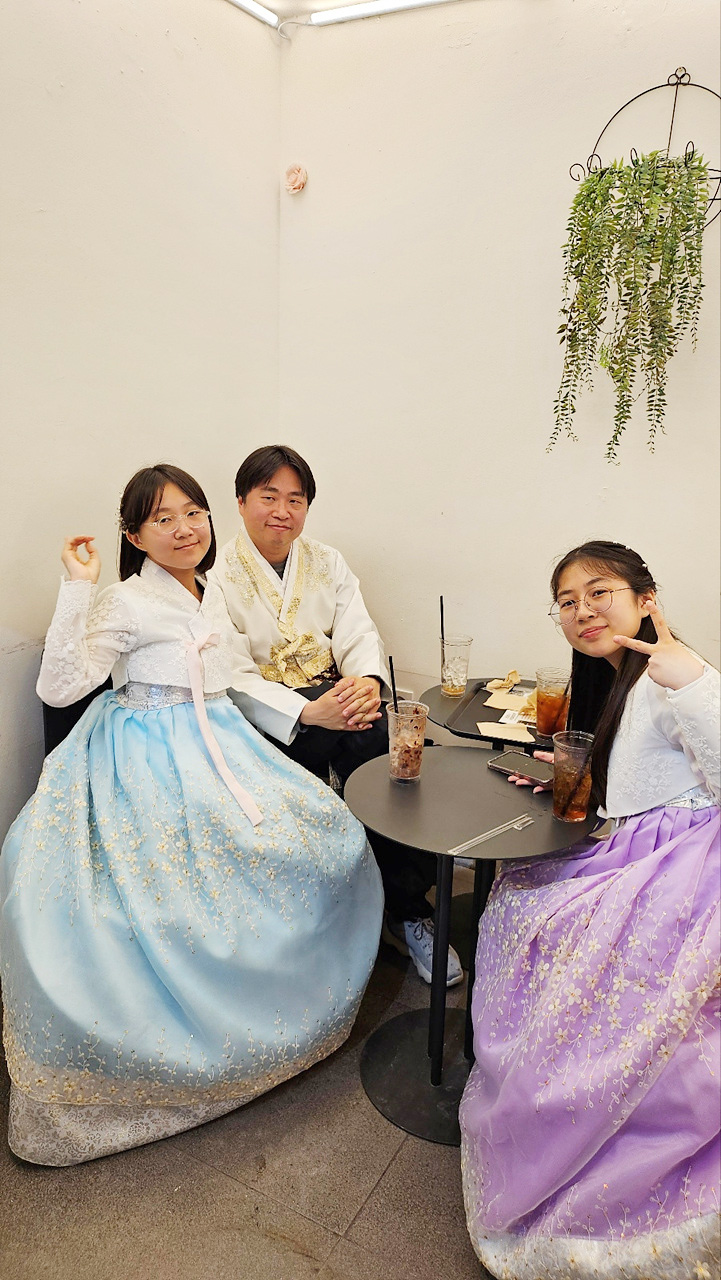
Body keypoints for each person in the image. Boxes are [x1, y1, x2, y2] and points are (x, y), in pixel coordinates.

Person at [0, 464, 383, 1166]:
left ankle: (282, 1010)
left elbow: (233, 680)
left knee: (327, 837)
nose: (183, 529)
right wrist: (76, 586)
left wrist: (309, 712)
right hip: (145, 752)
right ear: (133, 535)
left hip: (220, 739)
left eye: (193, 513)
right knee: (166, 890)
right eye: (162, 518)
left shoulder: (211, 591)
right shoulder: (123, 600)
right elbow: (59, 687)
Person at [459, 541, 720, 1279]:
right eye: (567, 603)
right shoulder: (620, 679)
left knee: (547, 922)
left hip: (681, 861)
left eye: (599, 592)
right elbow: (642, 769)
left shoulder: (672, 672)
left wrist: (692, 680)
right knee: (518, 899)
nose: (582, 611)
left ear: (645, 599)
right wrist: (576, 775)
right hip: (636, 840)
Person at [209, 445, 462, 987]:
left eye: (295, 500)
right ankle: (322, 922)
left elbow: (357, 631)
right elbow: (229, 671)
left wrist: (366, 684)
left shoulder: (327, 561)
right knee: (319, 761)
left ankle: (407, 908)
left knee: (399, 755)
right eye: (269, 497)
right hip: (272, 713)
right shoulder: (216, 573)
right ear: (241, 501)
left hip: (338, 697)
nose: (282, 511)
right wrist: (305, 710)